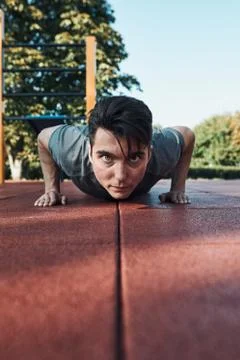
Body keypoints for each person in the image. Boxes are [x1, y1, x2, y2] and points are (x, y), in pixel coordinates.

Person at [34, 96, 195, 207]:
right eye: (106, 157)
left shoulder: (162, 151)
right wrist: (52, 189)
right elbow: (43, 137)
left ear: (150, 154)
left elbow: (187, 135)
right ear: (90, 153)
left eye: (134, 158)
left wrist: (177, 189)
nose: (120, 177)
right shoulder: (71, 149)